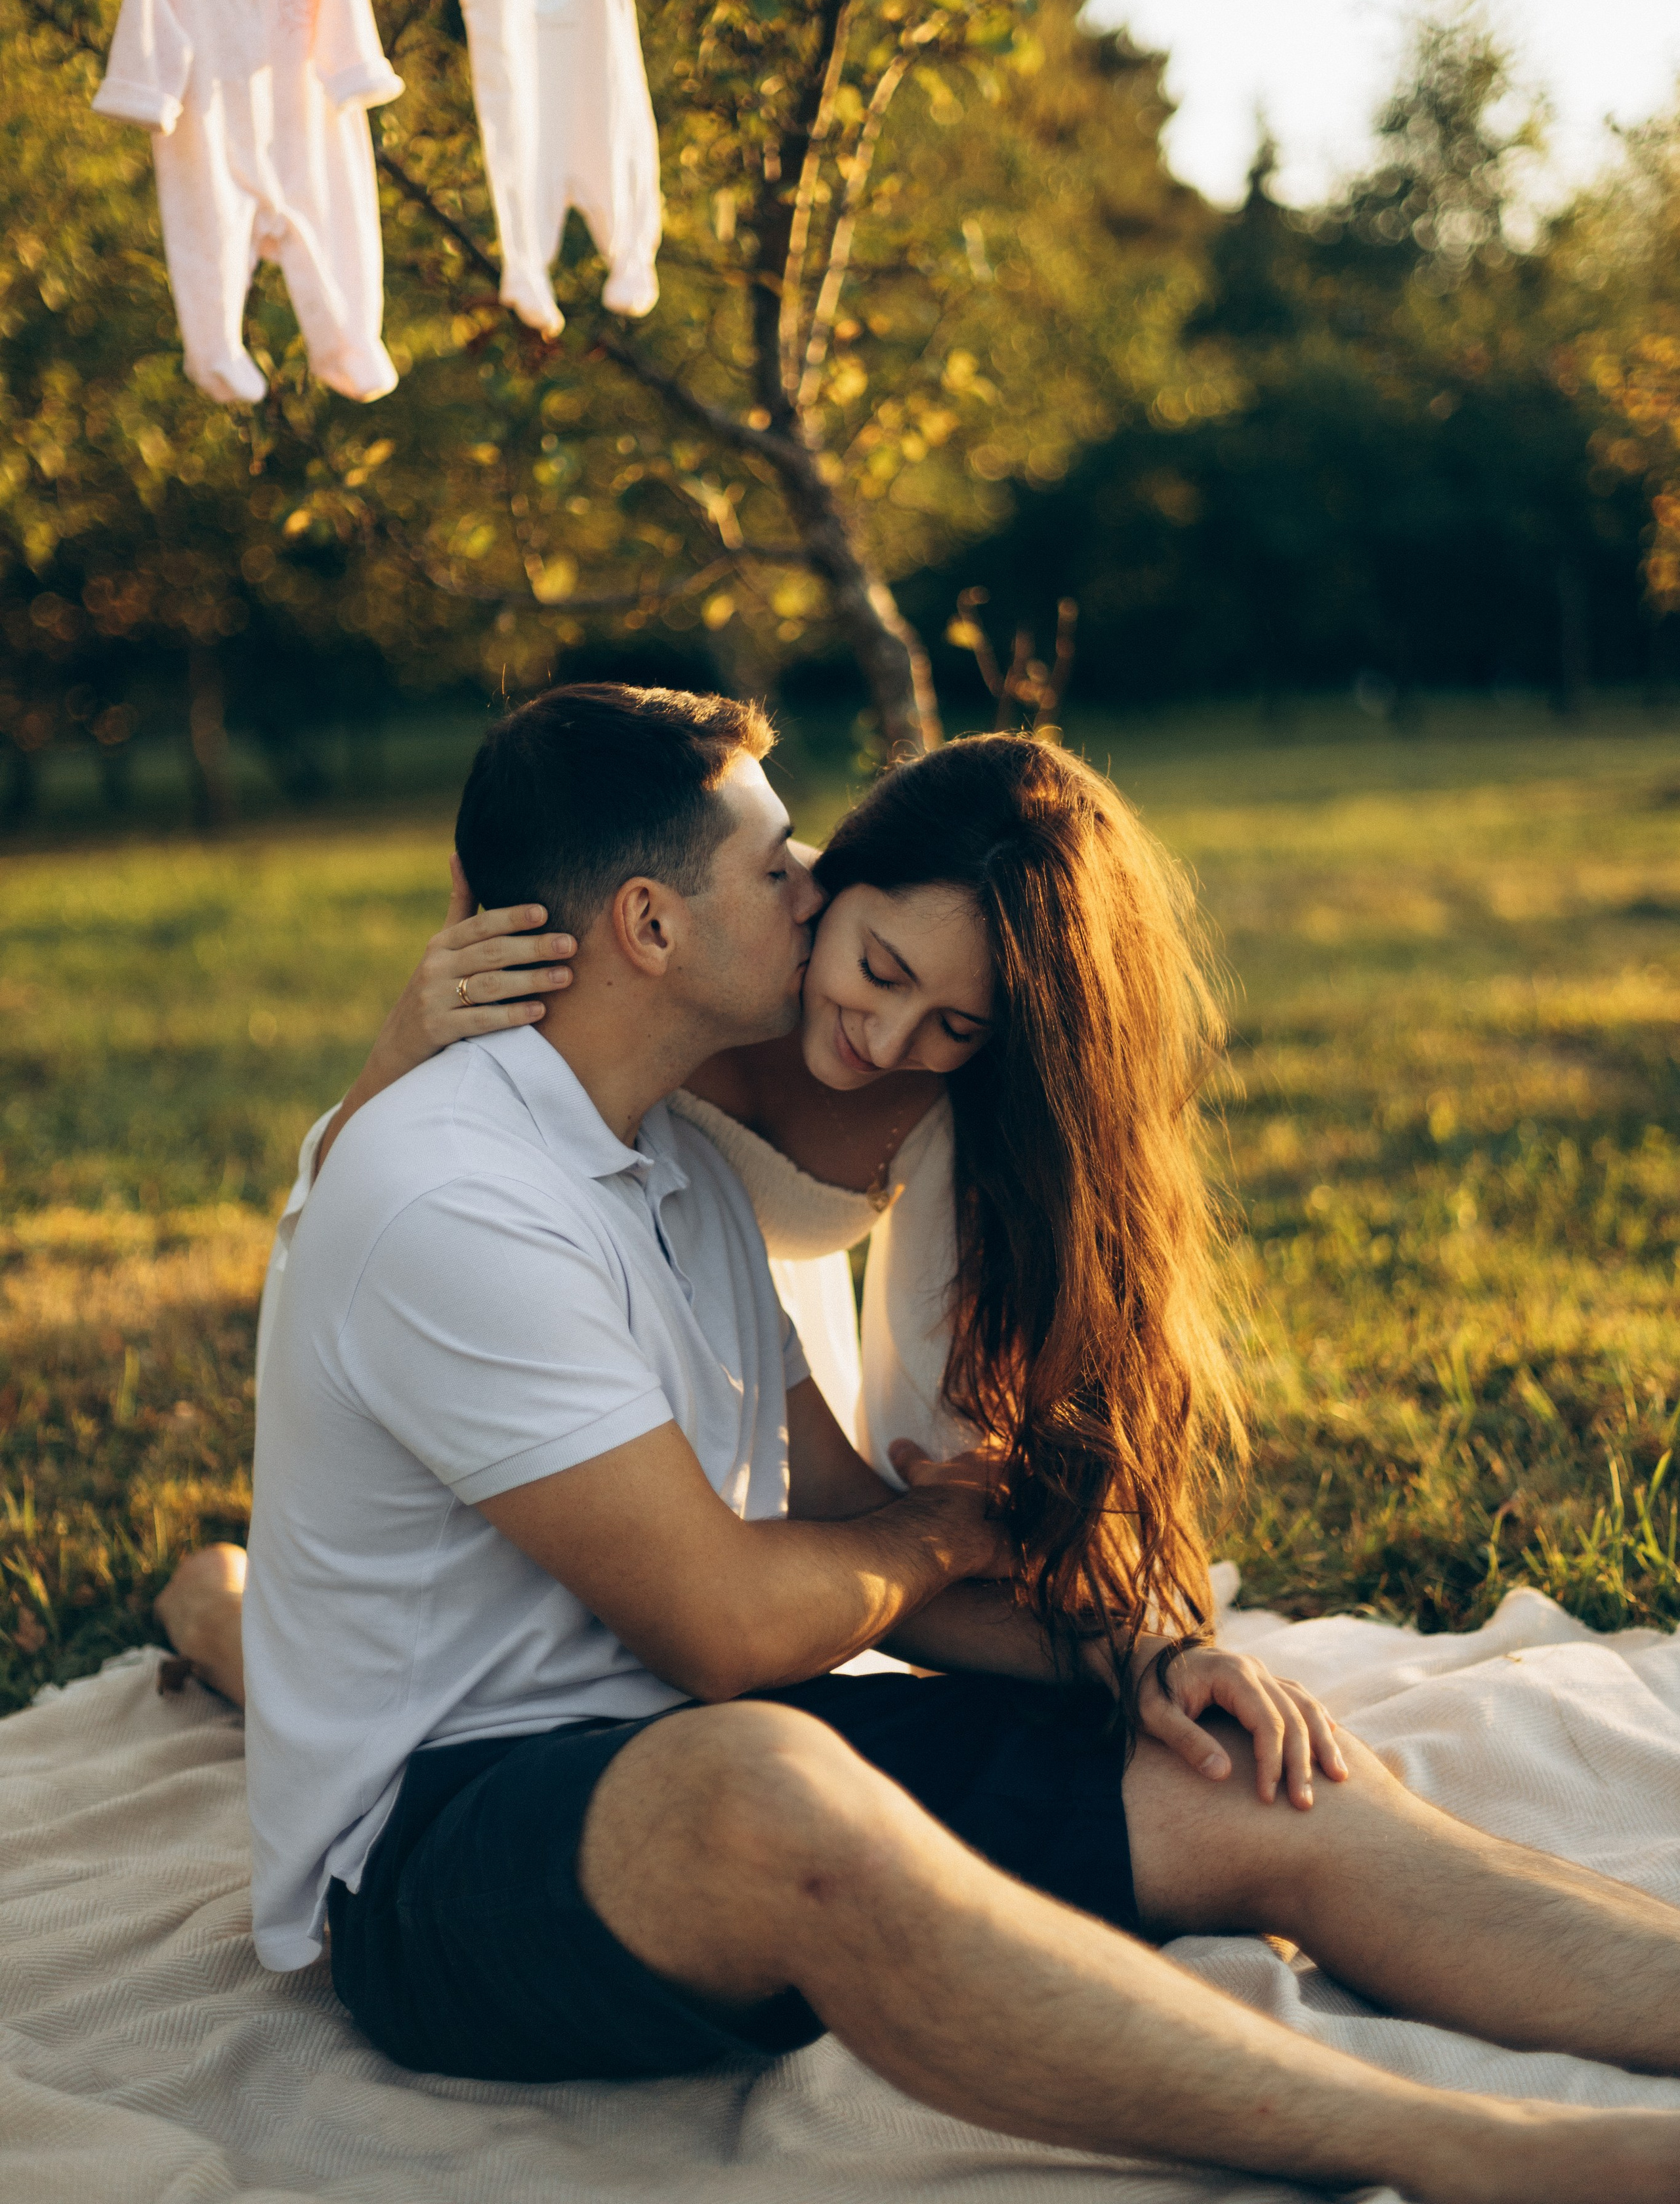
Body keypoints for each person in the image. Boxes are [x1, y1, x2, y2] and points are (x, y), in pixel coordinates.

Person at [235, 683, 1680, 2204]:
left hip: (690, 1751)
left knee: (1243, 1777)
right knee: (764, 1777)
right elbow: (733, 1622)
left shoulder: (670, 1176)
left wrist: (1128, 1656)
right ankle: (1480, 2156)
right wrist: (939, 1534)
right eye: (779, 869)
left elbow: (841, 1510)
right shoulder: (452, 1195)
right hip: (434, 1860)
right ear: (652, 927)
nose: (811, 888)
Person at [161, 723, 1238, 1722]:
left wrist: (1095, 1613)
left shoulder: (962, 1060)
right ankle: (217, 1613)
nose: (888, 1031)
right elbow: (383, 1191)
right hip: (541, 1280)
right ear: (828, 884)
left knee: (796, 1589)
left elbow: (938, 1457)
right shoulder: (696, 945)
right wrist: (403, 1042)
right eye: (876, 971)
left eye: (953, 1023)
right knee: (433, 1651)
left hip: (725, 1299)